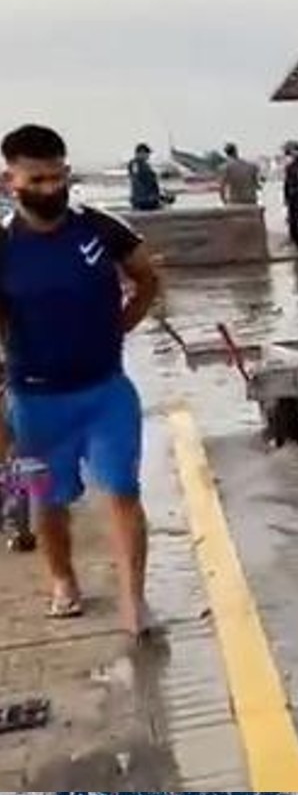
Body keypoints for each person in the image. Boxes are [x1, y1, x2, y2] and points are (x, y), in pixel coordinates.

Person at [0, 125, 162, 636]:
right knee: (46, 500)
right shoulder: (4, 247)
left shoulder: (101, 229)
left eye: (57, 177)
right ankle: (63, 580)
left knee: (123, 491)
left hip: (106, 392)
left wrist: (123, 323)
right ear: (10, 182)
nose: (50, 188)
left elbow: (147, 277)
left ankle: (134, 599)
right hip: (34, 403)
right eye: (37, 180)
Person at [127, 143, 166, 212]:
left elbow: (150, 180)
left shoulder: (144, 165)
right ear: (140, 153)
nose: (148, 156)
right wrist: (148, 197)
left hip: (148, 198)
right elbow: (138, 181)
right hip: (143, 201)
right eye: (147, 153)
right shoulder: (135, 164)